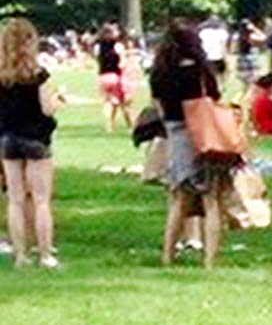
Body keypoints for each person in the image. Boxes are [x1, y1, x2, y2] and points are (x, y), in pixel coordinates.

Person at [149, 21, 232, 270]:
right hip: (204, 136)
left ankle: (167, 255)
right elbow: (214, 98)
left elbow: (159, 108)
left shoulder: (160, 73)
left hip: (176, 134)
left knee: (178, 199)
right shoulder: (200, 72)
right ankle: (209, 260)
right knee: (210, 199)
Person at [0, 19, 61, 271]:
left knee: (15, 199)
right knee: (41, 200)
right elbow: (46, 110)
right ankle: (45, 254)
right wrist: (58, 101)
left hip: (8, 138)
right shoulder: (38, 75)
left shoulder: (2, 75)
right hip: (35, 139)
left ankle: (20, 255)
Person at [93, 24, 129, 134]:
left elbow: (97, 59)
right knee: (121, 103)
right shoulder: (118, 46)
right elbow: (122, 63)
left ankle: (109, 126)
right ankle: (130, 125)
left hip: (103, 76)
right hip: (116, 76)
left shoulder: (98, 47)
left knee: (108, 102)